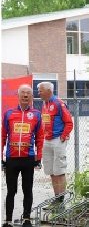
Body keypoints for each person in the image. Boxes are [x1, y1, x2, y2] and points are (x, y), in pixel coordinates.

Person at [1, 84, 44, 227]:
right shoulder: (8, 113)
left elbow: (40, 137)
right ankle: (7, 220)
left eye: (28, 94)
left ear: (32, 97)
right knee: (11, 190)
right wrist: (1, 157)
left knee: (27, 189)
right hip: (12, 158)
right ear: (18, 96)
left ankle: (26, 219)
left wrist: (39, 158)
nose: (25, 96)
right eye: (23, 93)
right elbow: (2, 136)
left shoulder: (37, 114)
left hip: (28, 158)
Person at [37, 82, 73, 209]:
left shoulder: (58, 103)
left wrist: (63, 137)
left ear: (48, 90)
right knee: (52, 171)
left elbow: (69, 122)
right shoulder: (44, 103)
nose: (38, 92)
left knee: (59, 171)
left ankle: (61, 201)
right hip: (47, 140)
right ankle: (56, 198)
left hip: (58, 140)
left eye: (40, 90)